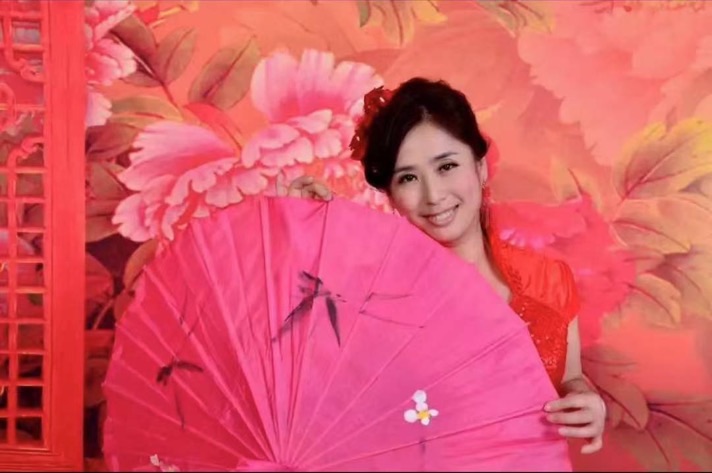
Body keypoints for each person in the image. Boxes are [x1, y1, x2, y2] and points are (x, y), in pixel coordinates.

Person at [285, 77, 607, 455]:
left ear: (480, 168)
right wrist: (305, 245)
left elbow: (569, 378)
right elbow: (327, 406)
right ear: (391, 194)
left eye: (447, 166)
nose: (434, 195)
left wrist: (585, 398)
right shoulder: (373, 301)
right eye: (408, 177)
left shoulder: (548, 281)